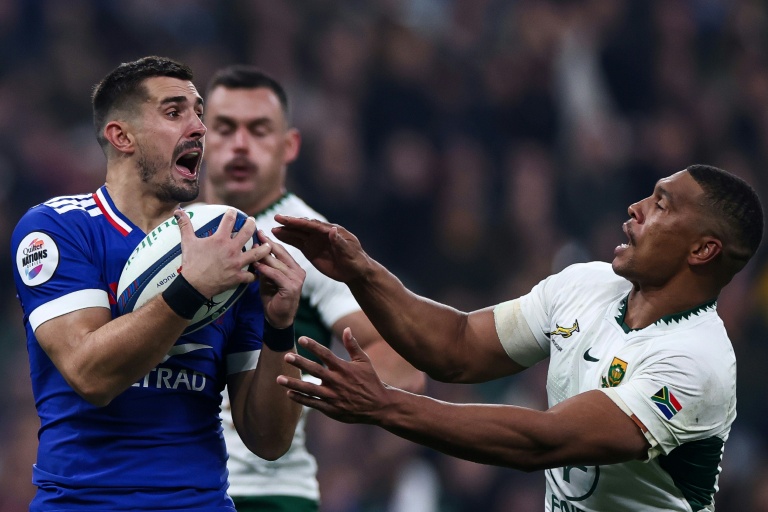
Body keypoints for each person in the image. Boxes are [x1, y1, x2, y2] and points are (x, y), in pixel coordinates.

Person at [272, 164, 764, 511]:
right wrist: (360, 272)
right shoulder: (586, 285)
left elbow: (543, 442)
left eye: (661, 204)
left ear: (702, 249)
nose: (635, 208)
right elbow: (459, 346)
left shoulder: (697, 361)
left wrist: (386, 406)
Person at [10, 56, 305, 511]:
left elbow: (269, 439)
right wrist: (191, 288)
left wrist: (281, 327)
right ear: (121, 136)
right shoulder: (57, 230)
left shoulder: (231, 244)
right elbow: (91, 376)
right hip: (83, 503)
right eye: (174, 113)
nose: (201, 129)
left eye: (199, 113)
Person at [202, 64, 425, 512]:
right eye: (225, 129)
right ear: (201, 139)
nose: (241, 144)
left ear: (290, 146)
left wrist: (314, 395)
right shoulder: (169, 226)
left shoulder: (309, 241)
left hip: (267, 494)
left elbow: (401, 358)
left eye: (259, 130)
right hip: (168, 486)